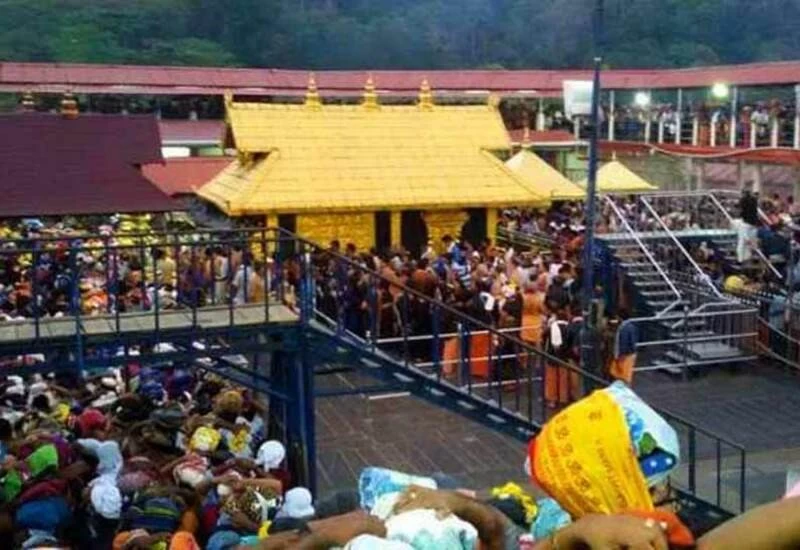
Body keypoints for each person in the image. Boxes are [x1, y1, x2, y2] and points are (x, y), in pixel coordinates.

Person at [608, 309, 638, 385]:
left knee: (624, 376)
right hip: (625, 354)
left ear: (620, 317)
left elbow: (624, 342)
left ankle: (624, 388)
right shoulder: (628, 326)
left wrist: (622, 355)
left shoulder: (625, 328)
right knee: (618, 373)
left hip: (624, 355)